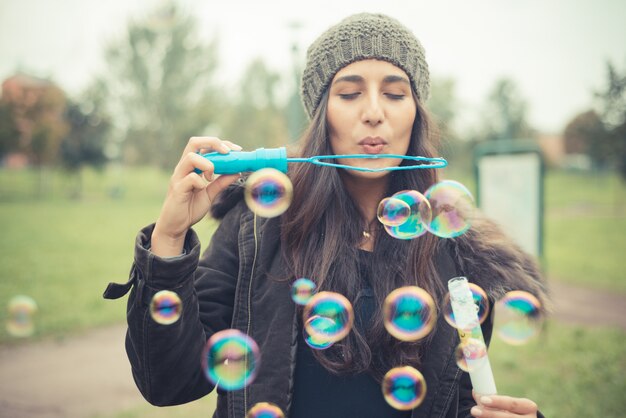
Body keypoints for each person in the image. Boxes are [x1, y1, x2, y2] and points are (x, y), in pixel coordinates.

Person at [104, 12, 549, 418]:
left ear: (416, 115)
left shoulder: (460, 255)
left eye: (395, 93)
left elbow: (462, 402)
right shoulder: (256, 231)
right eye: (350, 93)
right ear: (321, 115)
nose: (373, 113)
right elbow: (168, 383)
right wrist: (169, 236)